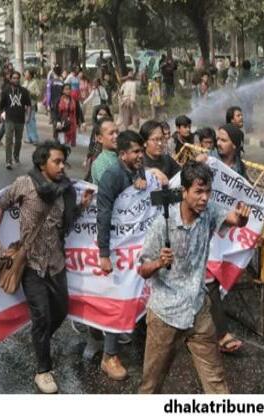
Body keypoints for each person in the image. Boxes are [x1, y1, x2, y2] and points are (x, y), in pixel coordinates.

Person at [0, 141, 93, 393]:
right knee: (42, 316)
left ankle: (40, 338)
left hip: (56, 262)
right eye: (56, 161)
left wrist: (81, 207)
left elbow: (65, 223)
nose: (61, 166)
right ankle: (43, 370)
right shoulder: (25, 183)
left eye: (63, 162)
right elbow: (2, 204)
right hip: (32, 263)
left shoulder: (66, 189)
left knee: (60, 311)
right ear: (41, 163)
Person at [138, 160, 251, 393]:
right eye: (198, 191)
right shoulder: (162, 225)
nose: (204, 198)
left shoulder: (208, 212)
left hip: (198, 310)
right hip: (165, 315)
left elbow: (233, 219)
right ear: (184, 192)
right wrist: (159, 262)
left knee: (217, 382)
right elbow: (142, 269)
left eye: (208, 191)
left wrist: (242, 219)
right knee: (151, 386)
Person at [94, 131, 147, 380]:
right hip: (118, 250)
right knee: (118, 297)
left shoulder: (136, 169)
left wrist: (144, 178)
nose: (140, 155)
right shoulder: (112, 176)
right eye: (135, 152)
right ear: (122, 154)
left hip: (138, 248)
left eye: (141, 151)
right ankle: (109, 356)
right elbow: (103, 215)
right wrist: (104, 254)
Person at [0, 71, 31, 169]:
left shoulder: (24, 91)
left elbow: (29, 105)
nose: (16, 80)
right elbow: (1, 105)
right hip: (9, 118)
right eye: (14, 78)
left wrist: (28, 117)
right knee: (8, 139)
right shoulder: (6, 91)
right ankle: (8, 161)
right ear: (10, 79)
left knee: (18, 140)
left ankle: (16, 155)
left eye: (17, 78)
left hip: (20, 119)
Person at [84, 104, 113, 180]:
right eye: (100, 114)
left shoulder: (112, 129)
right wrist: (87, 157)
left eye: (105, 115)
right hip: (95, 156)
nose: (102, 116)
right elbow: (92, 144)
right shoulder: (95, 129)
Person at [90, 118, 119, 185]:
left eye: (117, 132)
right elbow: (110, 186)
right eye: (111, 133)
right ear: (100, 139)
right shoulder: (100, 162)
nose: (116, 136)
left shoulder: (121, 155)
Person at [22, 69, 43, 145]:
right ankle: (29, 138)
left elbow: (38, 93)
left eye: (27, 73)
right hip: (25, 105)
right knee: (27, 121)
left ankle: (34, 138)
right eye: (25, 73)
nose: (25, 74)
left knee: (32, 121)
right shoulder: (25, 82)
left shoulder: (34, 83)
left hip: (31, 105)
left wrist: (30, 93)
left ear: (30, 75)